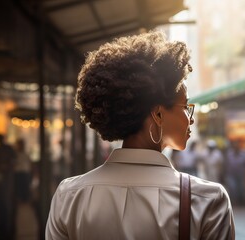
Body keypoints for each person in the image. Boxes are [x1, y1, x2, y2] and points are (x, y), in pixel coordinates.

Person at [46, 31, 235, 239]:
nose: (190, 119)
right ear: (158, 114)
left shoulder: (70, 196)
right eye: (186, 107)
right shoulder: (207, 200)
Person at [225, 139, 245, 205]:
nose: (236, 147)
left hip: (241, 175)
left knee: (241, 188)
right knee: (233, 187)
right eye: (234, 146)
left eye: (237, 146)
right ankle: (233, 201)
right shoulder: (229, 154)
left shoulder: (244, 154)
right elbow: (226, 164)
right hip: (231, 174)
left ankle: (240, 201)